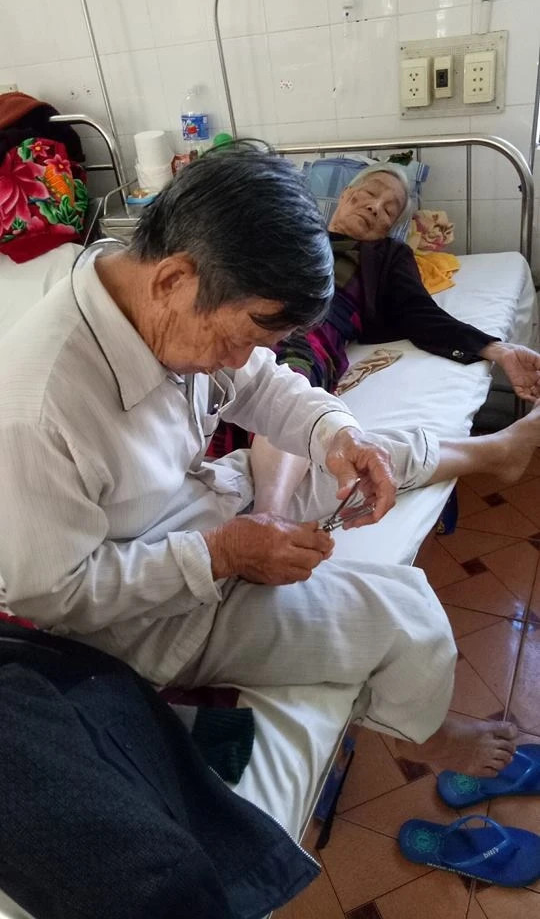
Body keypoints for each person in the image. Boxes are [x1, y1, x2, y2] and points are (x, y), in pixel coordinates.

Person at [2, 144, 537, 784]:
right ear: (173, 280)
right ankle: (431, 738)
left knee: (368, 450)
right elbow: (54, 595)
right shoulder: (37, 410)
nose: (238, 360)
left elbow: (262, 384)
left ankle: (493, 452)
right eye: (243, 337)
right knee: (409, 617)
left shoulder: (161, 299)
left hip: (193, 504)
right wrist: (223, 554)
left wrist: (338, 436)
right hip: (140, 619)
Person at [219, 161, 540, 515]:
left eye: (389, 210)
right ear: (346, 195)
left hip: (308, 329)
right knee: (211, 378)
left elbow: (419, 313)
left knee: (290, 380)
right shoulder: (294, 231)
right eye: (370, 194)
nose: (376, 207)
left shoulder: (385, 255)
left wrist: (498, 350)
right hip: (243, 312)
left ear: (390, 227)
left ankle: (269, 518)